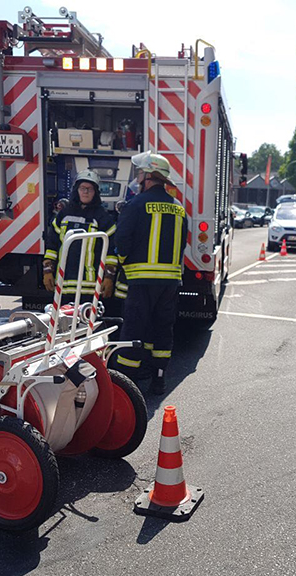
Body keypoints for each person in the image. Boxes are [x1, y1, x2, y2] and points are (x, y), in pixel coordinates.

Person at [113, 151, 187, 394]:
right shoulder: (179, 209)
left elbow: (122, 241)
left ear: (147, 175)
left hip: (140, 280)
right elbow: (182, 243)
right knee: (162, 330)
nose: (137, 177)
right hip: (170, 283)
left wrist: (122, 263)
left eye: (140, 172)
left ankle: (128, 385)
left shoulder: (135, 205)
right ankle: (158, 378)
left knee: (134, 331)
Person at [43, 169, 117, 303]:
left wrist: (109, 277)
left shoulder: (103, 218)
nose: (85, 192)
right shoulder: (63, 215)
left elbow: (111, 252)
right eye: (82, 188)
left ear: (96, 192)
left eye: (90, 189)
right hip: (63, 285)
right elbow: (52, 246)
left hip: (90, 288)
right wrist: (47, 271)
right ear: (76, 190)